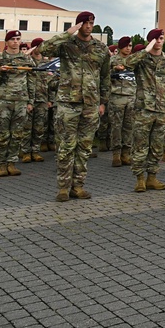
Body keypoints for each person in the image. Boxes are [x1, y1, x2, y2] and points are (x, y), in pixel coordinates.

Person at [37, 12, 111, 201]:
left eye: (91, 23)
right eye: (85, 23)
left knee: (84, 147)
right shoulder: (66, 45)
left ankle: (78, 186)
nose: (88, 26)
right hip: (68, 103)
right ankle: (63, 187)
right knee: (66, 146)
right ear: (78, 25)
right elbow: (44, 49)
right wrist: (67, 32)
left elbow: (105, 77)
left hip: (91, 104)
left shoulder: (100, 48)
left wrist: (103, 102)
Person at [124, 29, 165, 192]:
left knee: (157, 146)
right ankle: (140, 179)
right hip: (143, 109)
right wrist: (145, 50)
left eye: (161, 38)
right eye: (156, 39)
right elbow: (127, 63)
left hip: (162, 110)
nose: (159, 41)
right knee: (140, 146)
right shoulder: (141, 59)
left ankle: (152, 178)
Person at [0, 30, 36, 176]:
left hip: (21, 101)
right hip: (3, 100)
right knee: (2, 134)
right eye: (13, 39)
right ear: (7, 42)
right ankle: (1, 164)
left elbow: (31, 81)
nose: (16, 42)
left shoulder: (26, 59)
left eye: (18, 39)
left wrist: (31, 101)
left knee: (17, 134)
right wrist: (0, 72)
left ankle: (12, 162)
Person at [107, 37, 135, 167]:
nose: (129, 48)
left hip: (131, 96)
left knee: (129, 126)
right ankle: (116, 154)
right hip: (117, 96)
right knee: (116, 127)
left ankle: (126, 153)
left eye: (130, 46)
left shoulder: (133, 61)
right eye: (126, 46)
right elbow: (104, 76)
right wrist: (114, 70)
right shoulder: (112, 60)